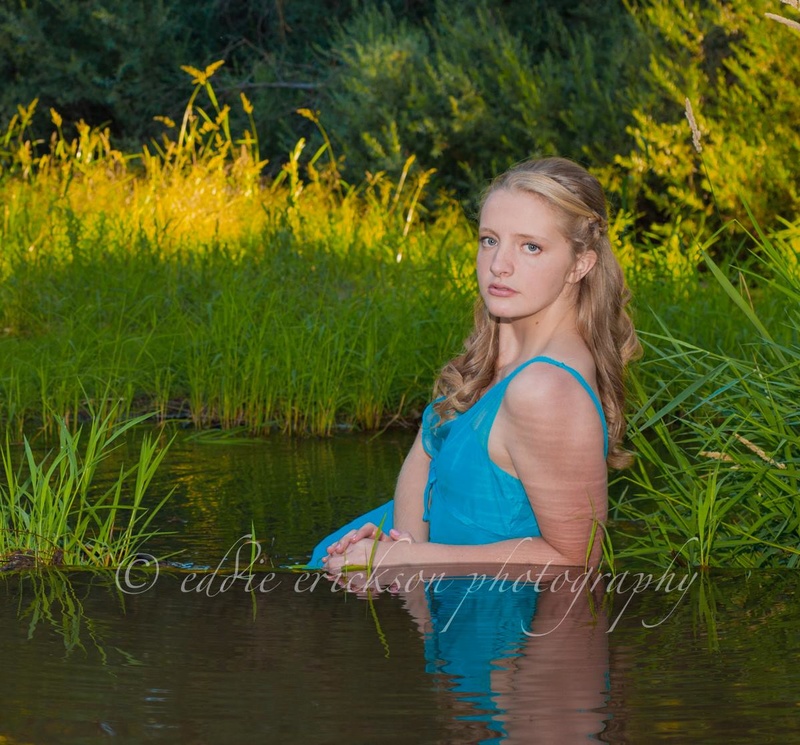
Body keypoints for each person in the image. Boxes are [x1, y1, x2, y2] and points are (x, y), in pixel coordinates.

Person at [311, 156, 639, 573]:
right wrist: (393, 548)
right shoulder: (493, 357)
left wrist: (407, 556)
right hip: (439, 616)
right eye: (489, 240)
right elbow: (424, 501)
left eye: (531, 246)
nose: (499, 264)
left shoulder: (545, 388)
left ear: (580, 264)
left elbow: (574, 563)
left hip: (497, 629)